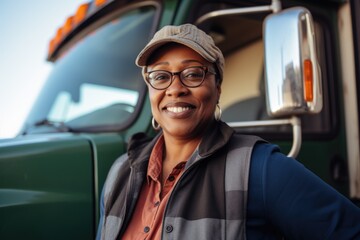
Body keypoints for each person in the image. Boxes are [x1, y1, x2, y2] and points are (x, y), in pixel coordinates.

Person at [96, 24, 360, 240]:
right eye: (161, 76)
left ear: (218, 87)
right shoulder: (121, 172)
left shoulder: (259, 168)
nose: (175, 88)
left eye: (193, 73)